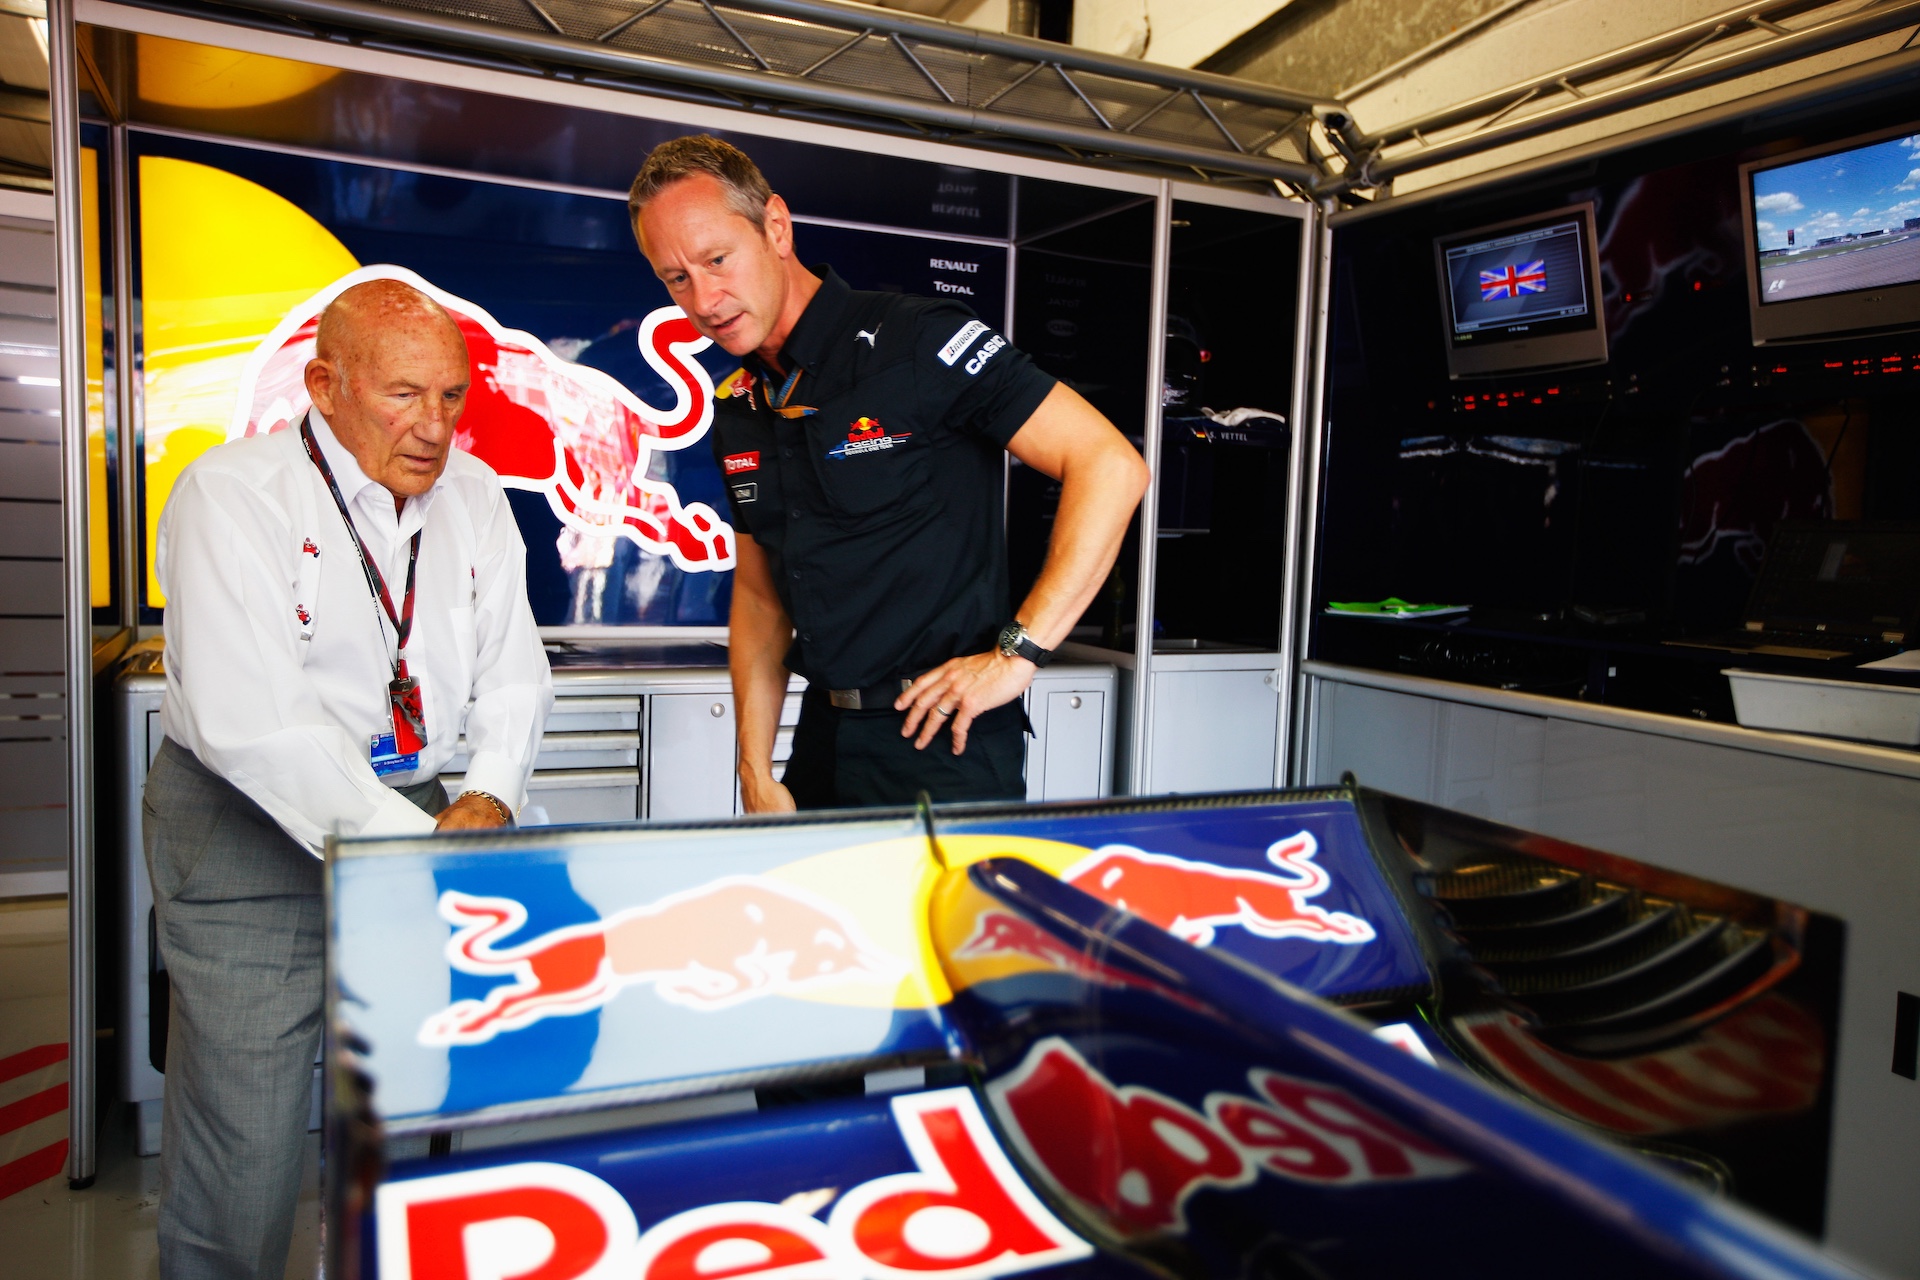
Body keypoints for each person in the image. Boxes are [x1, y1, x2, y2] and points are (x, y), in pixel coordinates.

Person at [144, 278, 553, 1278]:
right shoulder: (233, 496)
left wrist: (490, 790)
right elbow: (259, 729)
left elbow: (516, 664)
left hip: (415, 803)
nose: (435, 425)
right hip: (246, 823)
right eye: (404, 394)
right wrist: (423, 849)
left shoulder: (477, 497)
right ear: (325, 385)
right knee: (247, 1132)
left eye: (453, 397)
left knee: (402, 1103)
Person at [629, 135, 1148, 812]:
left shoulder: (918, 341)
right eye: (675, 278)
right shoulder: (740, 407)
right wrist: (755, 768)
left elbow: (1109, 464)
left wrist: (1019, 655)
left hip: (948, 742)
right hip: (824, 737)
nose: (703, 298)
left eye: (716, 260)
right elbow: (760, 599)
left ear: (776, 228)